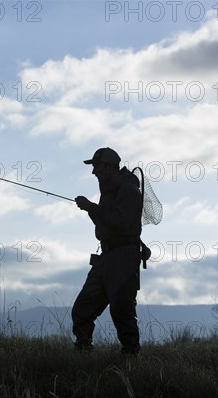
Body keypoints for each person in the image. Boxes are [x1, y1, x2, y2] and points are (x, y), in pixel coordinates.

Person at [73, 147, 142, 354]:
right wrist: (90, 210)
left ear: (110, 167)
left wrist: (92, 208)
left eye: (96, 167)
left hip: (124, 258)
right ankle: (83, 351)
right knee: (82, 308)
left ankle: (131, 356)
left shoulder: (129, 191)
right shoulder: (108, 190)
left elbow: (122, 223)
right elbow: (107, 222)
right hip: (107, 257)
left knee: (122, 310)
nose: (93, 172)